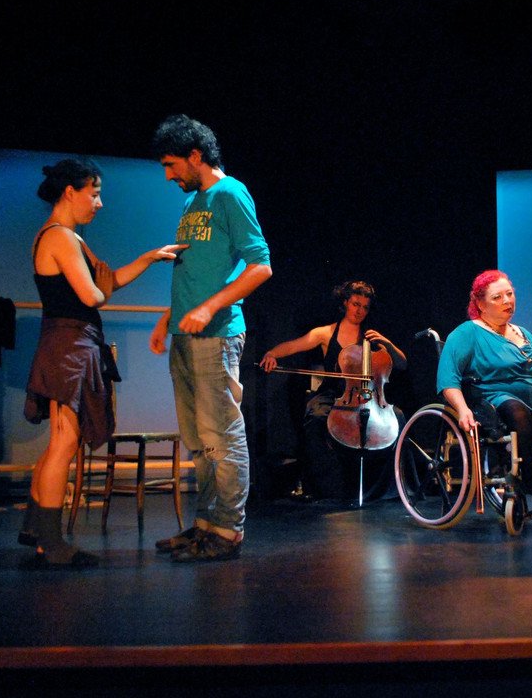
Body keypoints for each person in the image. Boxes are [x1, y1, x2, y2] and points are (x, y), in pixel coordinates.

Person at [21, 158, 186, 567]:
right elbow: (93, 295)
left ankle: (37, 531)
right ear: (70, 192)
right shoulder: (60, 237)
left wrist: (150, 257)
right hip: (68, 347)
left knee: (60, 443)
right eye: (93, 193)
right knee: (64, 442)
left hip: (72, 343)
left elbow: (106, 281)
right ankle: (52, 542)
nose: (99, 202)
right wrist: (96, 288)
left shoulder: (68, 238)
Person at [149, 114, 272, 563]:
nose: (168, 175)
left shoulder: (230, 193)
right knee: (198, 440)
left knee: (222, 434)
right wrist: (170, 316)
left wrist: (210, 307)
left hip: (216, 336)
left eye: (171, 165)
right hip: (185, 334)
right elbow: (195, 271)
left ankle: (228, 531)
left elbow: (261, 265)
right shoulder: (191, 203)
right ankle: (204, 523)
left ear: (195, 156)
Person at [260, 281, 406, 503]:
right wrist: (272, 353)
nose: (360, 311)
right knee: (316, 418)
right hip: (334, 394)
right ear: (345, 302)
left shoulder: (371, 337)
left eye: (365, 307)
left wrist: (388, 344)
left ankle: (384, 489)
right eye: (356, 304)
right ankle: (328, 489)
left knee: (398, 418)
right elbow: (294, 345)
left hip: (368, 397)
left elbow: (402, 363)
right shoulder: (326, 333)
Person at [437, 270, 532, 500]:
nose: (507, 301)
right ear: (480, 304)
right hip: (494, 398)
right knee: (517, 411)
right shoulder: (468, 332)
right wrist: (462, 409)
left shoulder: (524, 333)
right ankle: (528, 477)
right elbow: (448, 377)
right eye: (497, 297)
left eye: (509, 294)